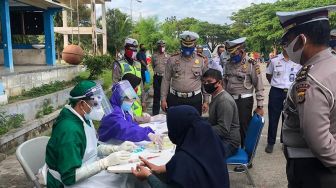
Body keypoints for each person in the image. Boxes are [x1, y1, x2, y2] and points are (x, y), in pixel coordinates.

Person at [277, 5, 336, 187]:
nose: (285, 47)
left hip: (314, 169)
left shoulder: (311, 80)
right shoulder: (331, 64)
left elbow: (318, 140)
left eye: (287, 40)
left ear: (302, 39)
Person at [44, 80, 135, 187]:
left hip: (86, 168)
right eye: (95, 104)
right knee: (120, 183)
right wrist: (104, 163)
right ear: (81, 103)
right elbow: (69, 177)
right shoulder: (69, 130)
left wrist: (115, 149)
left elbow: (91, 146)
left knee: (125, 178)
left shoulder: (84, 116)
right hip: (67, 182)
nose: (99, 108)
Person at [131, 105, 230, 188]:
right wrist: (162, 168)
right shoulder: (211, 142)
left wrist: (148, 176)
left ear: (179, 129)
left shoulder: (184, 159)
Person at [224, 37, 264, 147]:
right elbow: (225, 82)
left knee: (243, 127)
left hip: (244, 101)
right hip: (229, 100)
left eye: (234, 53)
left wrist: (260, 105)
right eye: (230, 53)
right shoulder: (228, 64)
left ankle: (246, 154)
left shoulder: (251, 64)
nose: (232, 56)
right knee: (229, 126)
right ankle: (233, 149)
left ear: (241, 49)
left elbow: (259, 85)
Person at [98, 80, 162, 145]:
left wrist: (149, 125)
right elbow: (124, 128)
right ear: (119, 98)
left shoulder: (123, 109)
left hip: (119, 142)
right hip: (109, 145)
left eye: (132, 100)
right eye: (127, 99)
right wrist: (146, 133)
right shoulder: (112, 111)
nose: (130, 102)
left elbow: (131, 123)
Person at [161, 31, 209, 115]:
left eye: (190, 46)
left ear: (195, 45)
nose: (187, 48)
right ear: (181, 44)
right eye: (185, 45)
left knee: (194, 126)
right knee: (176, 126)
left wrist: (206, 100)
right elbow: (166, 80)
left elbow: (205, 81)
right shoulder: (172, 59)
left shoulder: (201, 60)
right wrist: (163, 99)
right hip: (175, 99)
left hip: (194, 99)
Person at [265, 48, 301, 153]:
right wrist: (277, 83)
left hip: (291, 92)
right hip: (276, 91)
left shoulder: (297, 61)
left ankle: (285, 142)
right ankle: (270, 143)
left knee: (288, 118)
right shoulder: (274, 60)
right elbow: (268, 75)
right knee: (273, 118)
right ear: (283, 47)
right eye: (286, 45)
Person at [203, 69, 240, 158]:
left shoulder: (224, 101)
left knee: (201, 156)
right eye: (204, 82)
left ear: (219, 82)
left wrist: (202, 129)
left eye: (209, 81)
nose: (206, 84)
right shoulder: (216, 96)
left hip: (229, 142)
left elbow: (223, 129)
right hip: (221, 138)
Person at [112, 38, 146, 118]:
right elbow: (115, 85)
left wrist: (143, 101)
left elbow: (141, 84)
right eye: (131, 49)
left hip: (138, 100)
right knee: (127, 123)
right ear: (126, 49)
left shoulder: (138, 64)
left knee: (139, 123)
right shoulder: (119, 64)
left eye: (135, 49)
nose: (133, 51)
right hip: (125, 101)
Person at [152, 40, 169, 115]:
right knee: (156, 95)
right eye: (160, 46)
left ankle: (168, 113)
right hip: (156, 77)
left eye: (163, 46)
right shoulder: (154, 56)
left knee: (166, 95)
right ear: (158, 47)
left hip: (164, 78)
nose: (162, 48)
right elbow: (153, 66)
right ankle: (155, 114)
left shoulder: (168, 56)